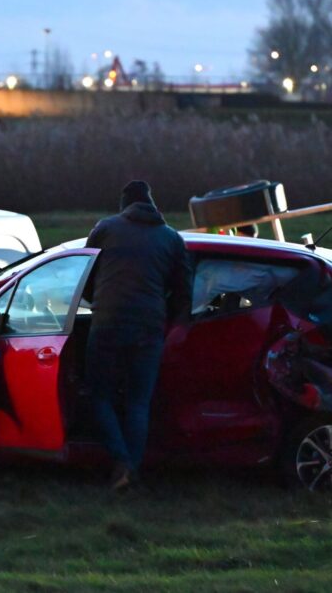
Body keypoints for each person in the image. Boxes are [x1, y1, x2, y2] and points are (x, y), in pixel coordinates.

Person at [84, 180, 192, 490]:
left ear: (125, 206)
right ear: (153, 205)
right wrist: (169, 321)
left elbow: (84, 277)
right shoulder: (171, 238)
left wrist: (99, 303)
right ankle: (131, 469)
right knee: (138, 403)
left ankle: (123, 464)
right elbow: (184, 291)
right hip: (149, 328)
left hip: (107, 323)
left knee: (99, 395)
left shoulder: (105, 228)